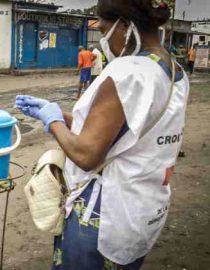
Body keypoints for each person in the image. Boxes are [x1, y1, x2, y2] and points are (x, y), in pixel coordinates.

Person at [15, 0, 189, 269]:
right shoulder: (172, 70)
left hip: (103, 214)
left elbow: (86, 154)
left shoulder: (128, 72)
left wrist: (52, 123)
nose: (104, 39)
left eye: (105, 28)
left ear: (125, 26)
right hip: (144, 208)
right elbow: (124, 131)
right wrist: (59, 115)